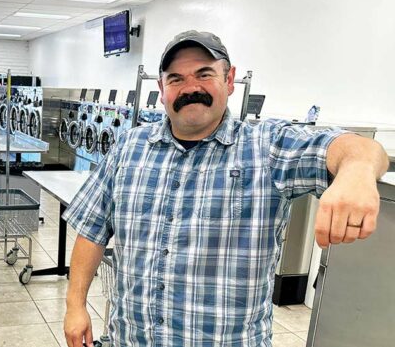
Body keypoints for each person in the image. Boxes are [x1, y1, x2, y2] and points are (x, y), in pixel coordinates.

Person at [63, 30, 389, 347]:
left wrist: (357, 172)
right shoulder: (128, 147)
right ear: (162, 89)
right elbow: (92, 230)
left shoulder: (268, 147)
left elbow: (355, 147)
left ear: (229, 80)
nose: (190, 87)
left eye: (204, 74)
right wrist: (75, 305)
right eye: (176, 79)